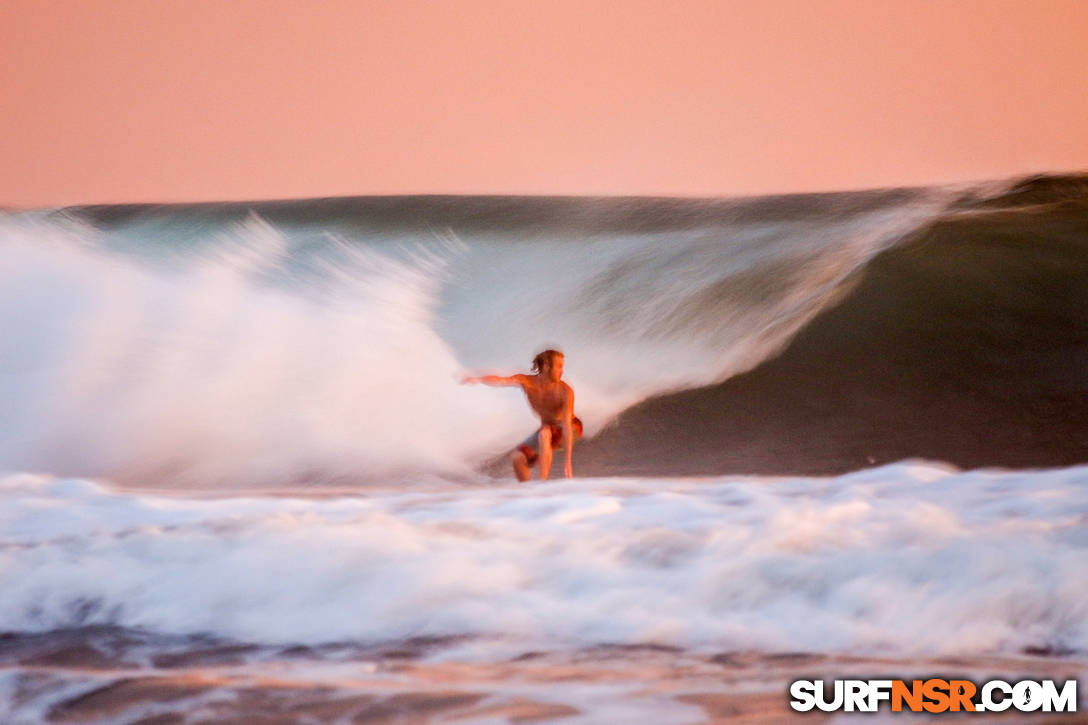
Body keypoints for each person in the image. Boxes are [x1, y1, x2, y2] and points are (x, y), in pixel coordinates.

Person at [462, 349, 581, 481]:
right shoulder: (527, 382)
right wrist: (478, 379)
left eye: (562, 367)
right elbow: (501, 380)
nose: (562, 371)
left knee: (544, 433)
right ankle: (528, 492)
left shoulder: (565, 391)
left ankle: (543, 482)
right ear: (546, 366)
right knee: (517, 457)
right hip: (547, 428)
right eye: (559, 366)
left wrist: (567, 462)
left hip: (571, 427)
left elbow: (566, 425)